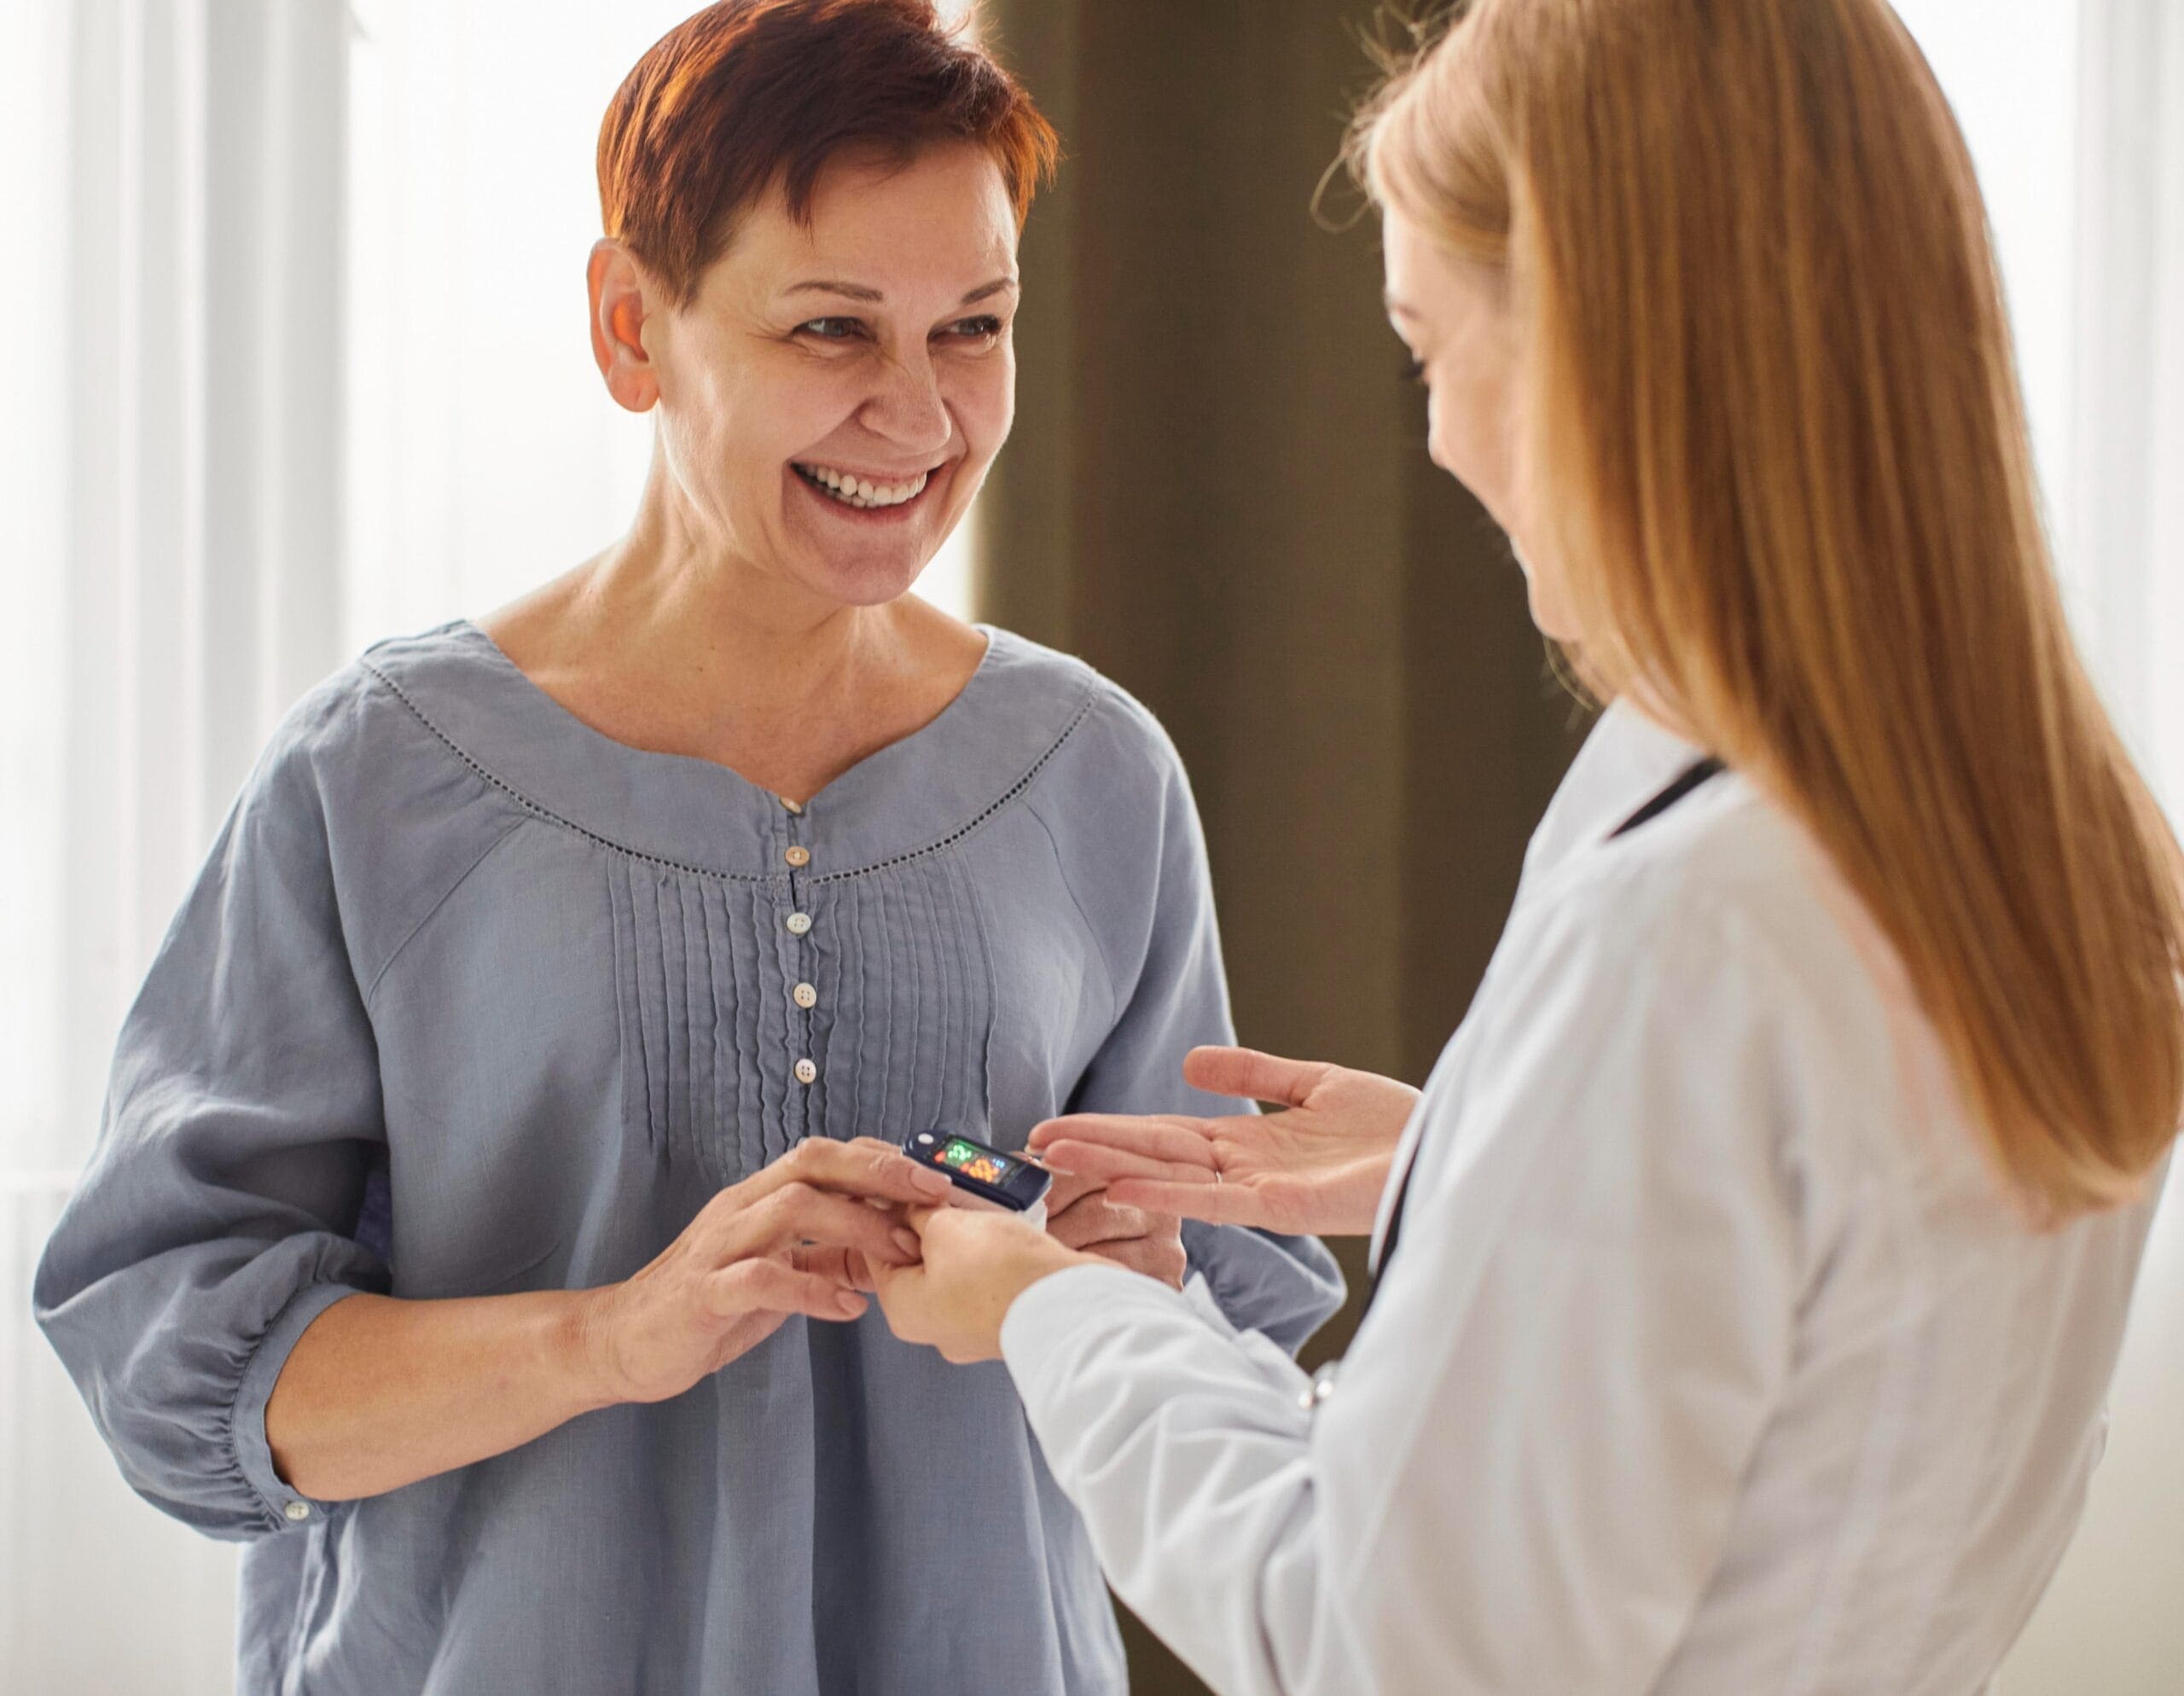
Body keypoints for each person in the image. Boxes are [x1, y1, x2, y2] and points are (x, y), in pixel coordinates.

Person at [869, 2, 2184, 1691]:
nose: (1431, 437)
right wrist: (1468, 1160)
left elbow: (1379, 1643)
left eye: (1428, 350)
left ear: (1601, 355)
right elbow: (1829, 1316)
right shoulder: (2050, 854)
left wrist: (1047, 1310)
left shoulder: (1692, 937)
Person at [32, 4, 1340, 1693]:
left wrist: (1124, 1289)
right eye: (831, 330)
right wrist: (618, 1331)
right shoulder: (376, 780)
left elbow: (1222, 1356)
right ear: (628, 324)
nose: (918, 413)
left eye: (973, 327)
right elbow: (190, 1376)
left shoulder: (1093, 776)